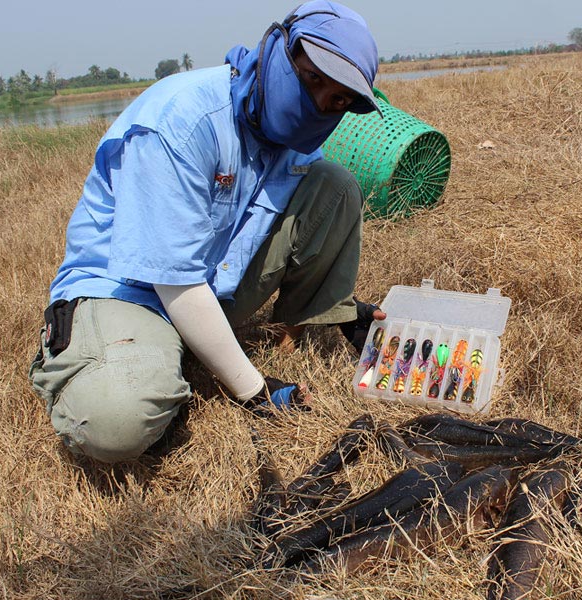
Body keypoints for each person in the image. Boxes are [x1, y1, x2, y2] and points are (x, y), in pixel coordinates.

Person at [29, 0, 387, 464]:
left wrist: (341, 310)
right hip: (129, 292)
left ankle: (196, 349)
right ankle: (96, 360)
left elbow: (279, 228)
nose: (319, 104)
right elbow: (172, 279)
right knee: (113, 422)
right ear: (278, 49)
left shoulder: (290, 140)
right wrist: (255, 391)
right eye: (312, 78)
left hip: (213, 284)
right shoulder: (183, 120)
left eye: (338, 99)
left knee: (335, 187)